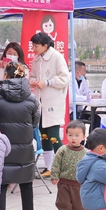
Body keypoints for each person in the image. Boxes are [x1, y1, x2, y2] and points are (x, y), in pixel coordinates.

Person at [0, 61, 39, 210]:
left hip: (1, 145)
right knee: (26, 180)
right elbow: (35, 123)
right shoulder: (32, 98)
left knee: (1, 182)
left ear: (5, 75)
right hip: (24, 145)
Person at [28, 32, 70, 173]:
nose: (34, 48)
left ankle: (65, 166)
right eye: (33, 45)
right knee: (44, 135)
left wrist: (47, 82)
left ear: (45, 46)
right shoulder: (36, 59)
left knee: (53, 136)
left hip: (53, 102)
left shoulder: (56, 57)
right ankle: (49, 167)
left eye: (36, 46)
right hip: (40, 102)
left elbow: (65, 78)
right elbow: (32, 75)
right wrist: (33, 81)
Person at [50, 120, 89, 210]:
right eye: (70, 135)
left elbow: (89, 166)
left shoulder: (86, 152)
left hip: (79, 183)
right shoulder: (62, 150)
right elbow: (56, 163)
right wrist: (54, 176)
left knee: (79, 201)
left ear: (83, 137)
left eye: (77, 135)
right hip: (63, 182)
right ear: (66, 135)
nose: (73, 138)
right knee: (64, 201)